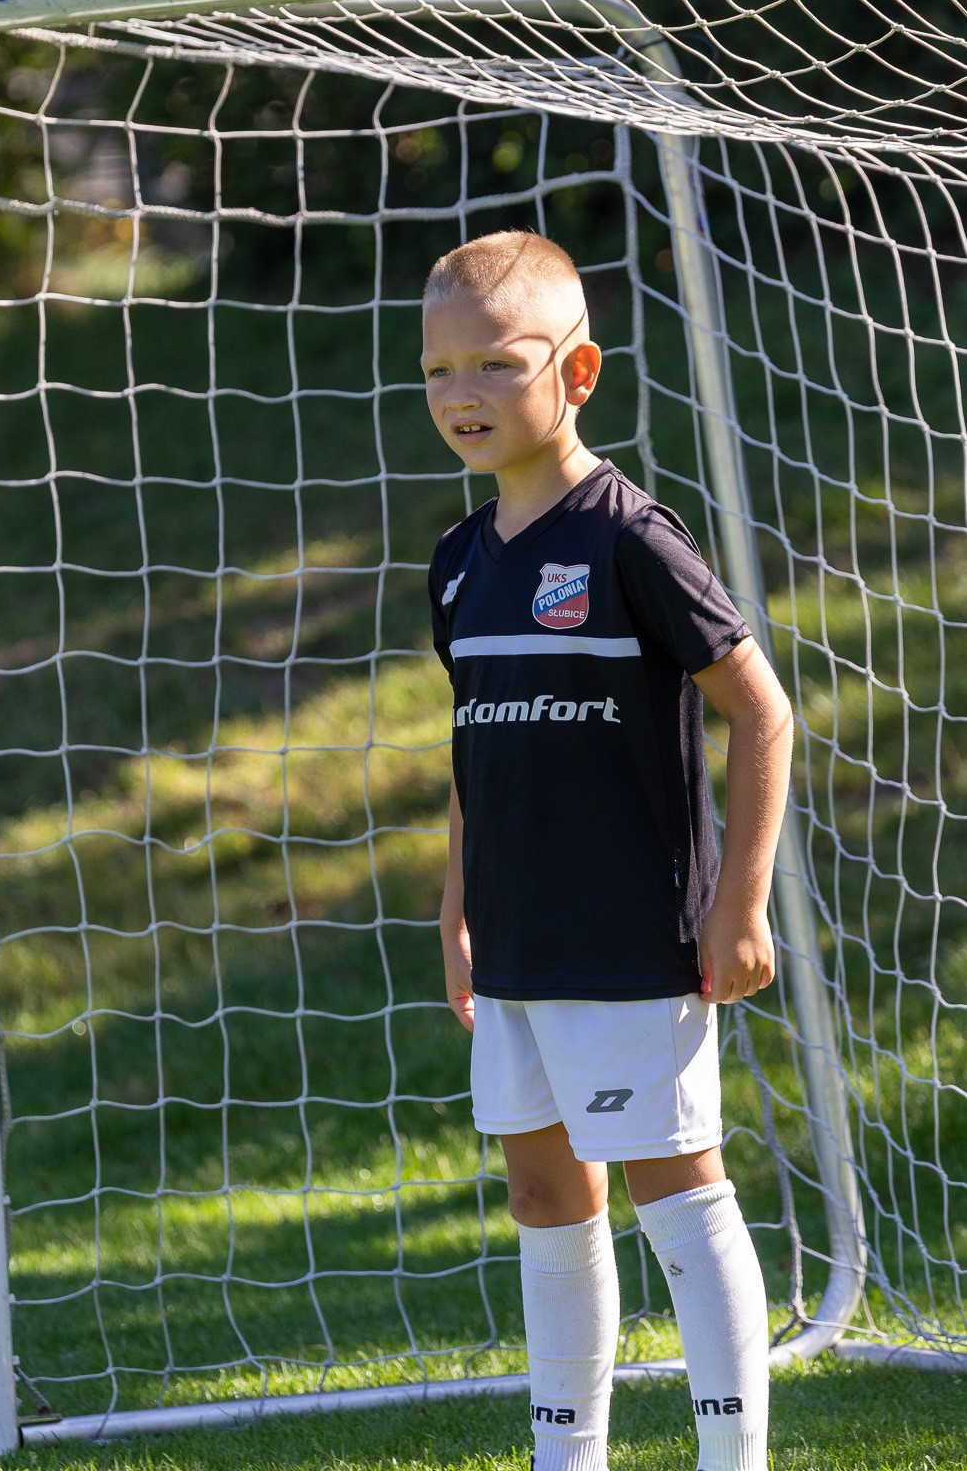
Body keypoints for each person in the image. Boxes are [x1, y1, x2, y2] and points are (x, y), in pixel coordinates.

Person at [423, 230, 793, 1471]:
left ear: (576, 373)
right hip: (515, 940)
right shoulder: (457, 564)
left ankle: (731, 1458)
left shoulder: (630, 537)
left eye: (495, 362)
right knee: (543, 1195)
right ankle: (566, 1456)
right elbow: (476, 749)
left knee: (671, 1192)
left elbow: (761, 712)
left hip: (630, 935)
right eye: (437, 370)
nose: (463, 393)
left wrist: (738, 905)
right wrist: (455, 907)